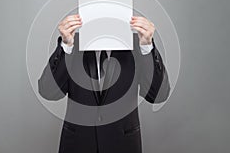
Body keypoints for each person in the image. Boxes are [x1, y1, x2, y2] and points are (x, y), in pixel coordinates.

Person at [38, 14, 170, 153]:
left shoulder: (136, 44)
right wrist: (66, 46)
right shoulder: (73, 43)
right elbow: (48, 91)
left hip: (123, 145)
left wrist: (147, 46)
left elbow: (158, 95)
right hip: (78, 144)